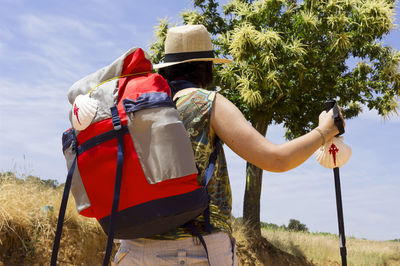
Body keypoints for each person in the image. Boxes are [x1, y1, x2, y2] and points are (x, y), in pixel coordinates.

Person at [113, 24, 343, 266]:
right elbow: (277, 159)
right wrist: (326, 130)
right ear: (206, 66)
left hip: (131, 252)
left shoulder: (137, 108)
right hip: (193, 253)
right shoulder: (206, 103)